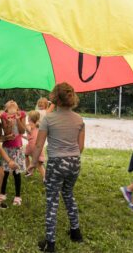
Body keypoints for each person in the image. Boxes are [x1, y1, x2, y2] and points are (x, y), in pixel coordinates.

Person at [30, 82, 85, 252]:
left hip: (56, 162)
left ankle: (50, 243)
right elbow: (80, 146)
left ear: (54, 98)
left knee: (52, 201)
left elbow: (39, 145)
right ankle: (76, 232)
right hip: (74, 162)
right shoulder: (79, 119)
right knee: (68, 194)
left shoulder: (48, 119)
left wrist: (33, 164)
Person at [0, 101, 26, 206]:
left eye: (15, 107)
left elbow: (22, 131)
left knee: (16, 172)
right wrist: (9, 122)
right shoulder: (4, 116)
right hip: (6, 148)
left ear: (18, 108)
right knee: (4, 172)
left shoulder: (22, 115)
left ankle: (18, 196)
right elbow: (6, 132)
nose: (13, 109)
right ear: (6, 110)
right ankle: (2, 193)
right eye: (10, 107)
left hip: (17, 148)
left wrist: (18, 119)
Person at [25, 110, 46, 180]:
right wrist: (22, 136)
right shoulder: (39, 126)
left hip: (33, 146)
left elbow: (28, 130)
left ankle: (44, 177)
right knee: (38, 163)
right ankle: (30, 171)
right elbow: (32, 136)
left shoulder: (29, 126)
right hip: (36, 146)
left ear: (29, 118)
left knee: (37, 163)